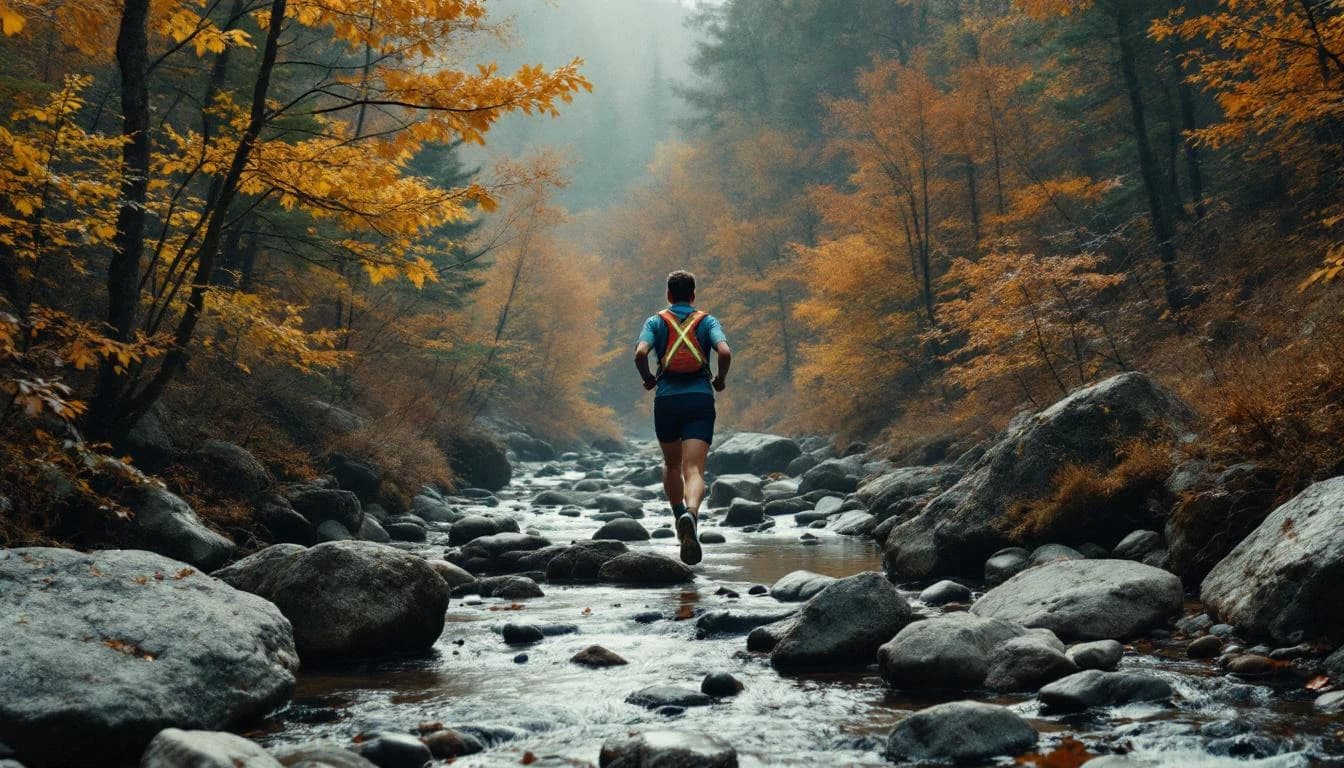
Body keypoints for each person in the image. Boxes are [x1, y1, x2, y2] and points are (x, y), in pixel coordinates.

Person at [634, 270, 731, 565]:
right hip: (699, 399)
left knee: (672, 463)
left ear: (668, 294)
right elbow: (724, 352)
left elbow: (640, 353)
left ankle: (679, 517)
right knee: (694, 469)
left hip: (667, 401)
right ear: (693, 295)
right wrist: (720, 379)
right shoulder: (708, 321)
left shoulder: (655, 321)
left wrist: (648, 378)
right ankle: (692, 514)